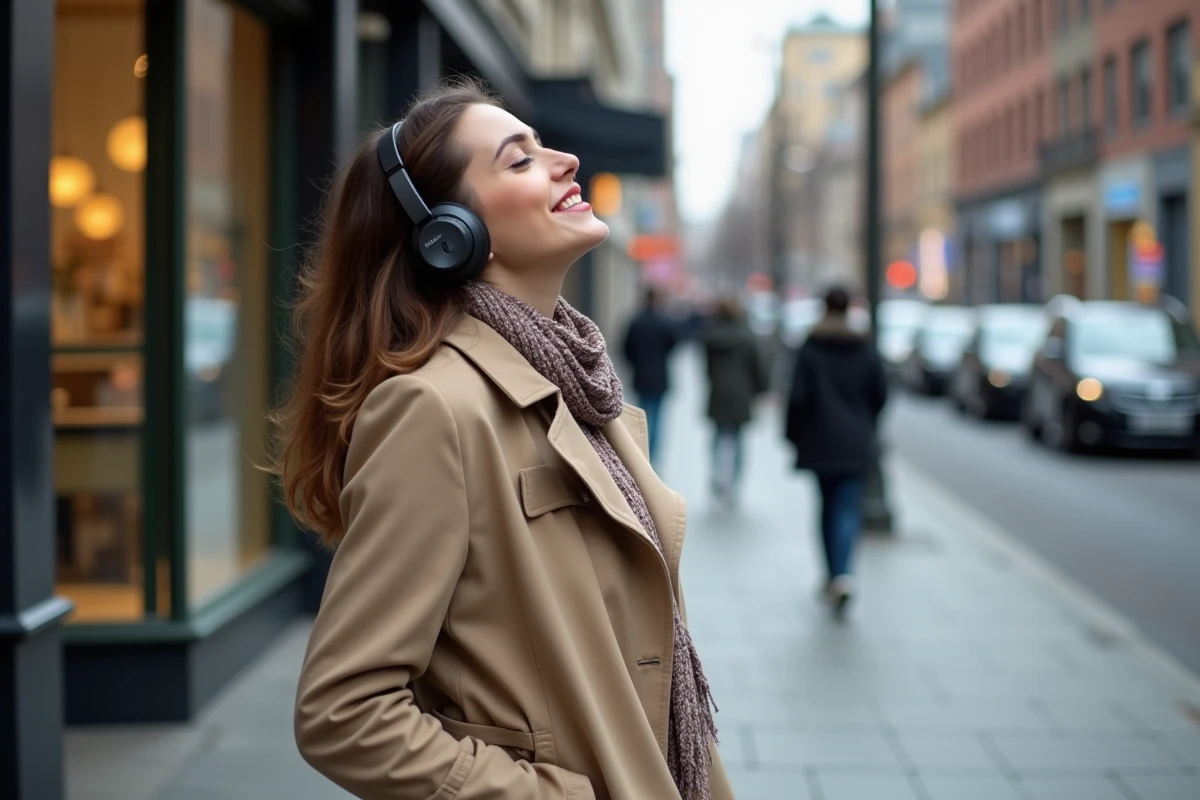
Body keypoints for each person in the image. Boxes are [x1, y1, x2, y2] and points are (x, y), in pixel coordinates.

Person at [273, 80, 732, 800]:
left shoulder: (584, 388)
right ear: (448, 232)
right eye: (519, 161)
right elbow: (343, 712)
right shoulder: (431, 409)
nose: (566, 161)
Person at [784, 286, 887, 618]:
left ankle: (833, 575)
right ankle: (842, 574)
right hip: (856, 441)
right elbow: (881, 393)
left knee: (828, 506)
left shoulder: (812, 348)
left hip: (821, 441)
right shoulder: (864, 347)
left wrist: (792, 434)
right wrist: (866, 423)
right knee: (847, 507)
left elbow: (797, 397)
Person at [702, 296, 767, 500]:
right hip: (741, 392)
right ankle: (735, 481)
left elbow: (708, 368)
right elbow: (756, 367)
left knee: (718, 435)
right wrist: (761, 390)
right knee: (738, 439)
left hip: (719, 390)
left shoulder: (711, 338)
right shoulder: (746, 337)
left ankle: (717, 474)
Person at [621, 287, 680, 463]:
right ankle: (652, 454)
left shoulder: (635, 322)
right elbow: (673, 343)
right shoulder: (664, 322)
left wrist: (635, 364)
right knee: (658, 416)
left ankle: (643, 450)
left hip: (641, 375)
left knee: (642, 415)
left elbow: (626, 348)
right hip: (660, 376)